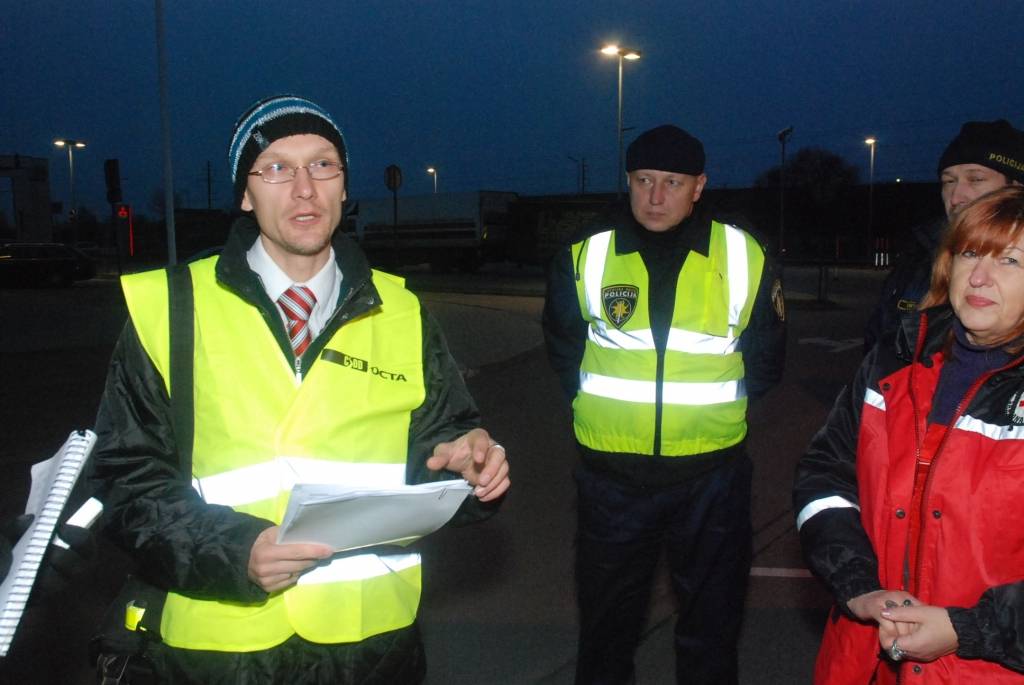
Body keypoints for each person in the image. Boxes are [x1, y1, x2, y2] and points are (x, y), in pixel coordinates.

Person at [89, 94, 510, 684]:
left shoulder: (403, 311)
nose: (304, 188)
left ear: (344, 186)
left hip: (372, 647)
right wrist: (236, 551)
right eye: (277, 168)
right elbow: (125, 479)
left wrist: (469, 468)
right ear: (245, 194)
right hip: (217, 650)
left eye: (323, 165)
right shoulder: (170, 307)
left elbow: (438, 448)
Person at [543, 124, 786, 684]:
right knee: (605, 633)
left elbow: (767, 359)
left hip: (711, 481)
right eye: (643, 180)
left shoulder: (742, 253)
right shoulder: (586, 251)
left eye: (672, 182)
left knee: (711, 632)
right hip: (611, 481)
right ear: (627, 180)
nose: (655, 197)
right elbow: (562, 346)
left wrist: (705, 423)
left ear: (698, 186)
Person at [796, 185, 1024, 683]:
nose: (979, 276)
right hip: (862, 659)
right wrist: (859, 587)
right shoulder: (895, 358)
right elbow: (825, 476)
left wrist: (967, 628)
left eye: (1009, 261)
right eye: (970, 253)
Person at [864, 119, 1024, 351]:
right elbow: (877, 343)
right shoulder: (918, 255)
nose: (956, 196)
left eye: (976, 179)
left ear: (1016, 187)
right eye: (949, 181)